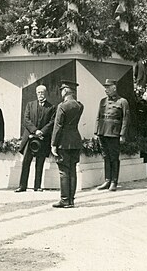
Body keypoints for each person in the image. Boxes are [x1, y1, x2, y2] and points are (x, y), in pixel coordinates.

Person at [16, 85, 56, 192]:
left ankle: (37, 186)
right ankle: (22, 185)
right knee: (26, 162)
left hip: (42, 138)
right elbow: (26, 120)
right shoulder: (30, 105)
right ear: (36, 93)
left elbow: (51, 122)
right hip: (29, 138)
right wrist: (35, 131)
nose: (40, 95)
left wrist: (41, 132)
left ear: (46, 93)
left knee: (40, 162)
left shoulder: (51, 108)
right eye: (38, 92)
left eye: (42, 92)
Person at [50, 80, 84, 208]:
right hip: (75, 140)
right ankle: (71, 200)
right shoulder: (80, 106)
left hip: (63, 142)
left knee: (64, 171)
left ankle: (65, 199)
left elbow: (57, 126)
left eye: (61, 90)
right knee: (73, 170)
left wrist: (53, 144)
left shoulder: (62, 106)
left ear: (65, 91)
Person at [95, 79, 130, 192]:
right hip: (103, 132)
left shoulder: (122, 102)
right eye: (105, 88)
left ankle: (114, 181)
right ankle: (107, 180)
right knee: (106, 156)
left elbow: (125, 119)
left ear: (114, 88)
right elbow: (98, 117)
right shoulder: (102, 101)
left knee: (114, 158)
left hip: (114, 133)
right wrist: (96, 132)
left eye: (108, 87)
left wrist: (122, 135)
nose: (106, 90)